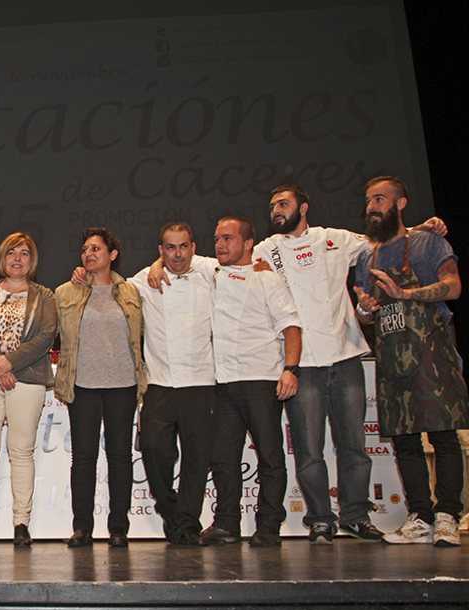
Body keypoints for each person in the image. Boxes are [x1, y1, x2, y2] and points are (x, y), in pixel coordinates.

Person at [252, 185, 445, 544]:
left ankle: (355, 514)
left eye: (283, 204)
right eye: (272, 206)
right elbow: (228, 261)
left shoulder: (335, 239)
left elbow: (385, 241)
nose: (276, 211)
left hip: (345, 355)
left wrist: (422, 229)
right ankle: (320, 519)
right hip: (302, 362)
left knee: (353, 445)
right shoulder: (266, 249)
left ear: (303, 208)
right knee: (309, 451)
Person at [354, 176, 467, 546]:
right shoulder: (365, 255)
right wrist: (366, 309)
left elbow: (453, 287)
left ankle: (448, 513)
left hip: (430, 353)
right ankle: (421, 515)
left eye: (381, 199)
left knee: (443, 433)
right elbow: (367, 314)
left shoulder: (427, 241)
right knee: (404, 439)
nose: (373, 206)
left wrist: (405, 293)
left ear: (400, 204)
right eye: (370, 200)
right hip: (391, 355)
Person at [100, 222, 217, 546]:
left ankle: (187, 524)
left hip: (200, 382)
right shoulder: (143, 280)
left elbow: (235, 261)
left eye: (183, 246)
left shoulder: (209, 272)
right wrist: (155, 267)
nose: (177, 254)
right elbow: (111, 286)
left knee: (197, 459)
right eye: (170, 247)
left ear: (193, 247)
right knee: (153, 451)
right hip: (160, 385)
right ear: (160, 250)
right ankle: (174, 513)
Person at [200, 217, 302, 547]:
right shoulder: (212, 273)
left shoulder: (267, 279)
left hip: (261, 379)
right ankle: (227, 524)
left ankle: (269, 526)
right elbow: (174, 257)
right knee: (223, 458)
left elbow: (291, 328)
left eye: (228, 238)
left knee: (270, 456)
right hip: (224, 381)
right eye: (217, 238)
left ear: (248, 244)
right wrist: (160, 264)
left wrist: (291, 369)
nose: (219, 245)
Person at [54, 228, 146, 548]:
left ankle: (118, 528)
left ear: (112, 254)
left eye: (96, 248)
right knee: (83, 458)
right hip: (83, 385)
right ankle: (82, 527)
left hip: (123, 383)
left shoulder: (132, 292)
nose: (88, 254)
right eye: (84, 249)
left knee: (120, 457)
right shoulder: (66, 292)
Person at [0, 233, 56, 548]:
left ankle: (21, 523)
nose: (18, 259)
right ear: (2, 258)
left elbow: (46, 335)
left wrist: (9, 364)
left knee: (21, 453)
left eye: (25, 254)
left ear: (32, 261)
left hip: (28, 380)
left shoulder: (44, 296)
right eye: (12, 253)